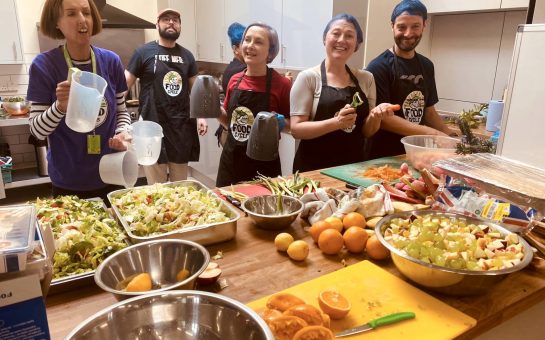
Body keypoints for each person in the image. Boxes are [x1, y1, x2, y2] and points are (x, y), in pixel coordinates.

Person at [27, 0, 131, 201]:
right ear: (57, 22)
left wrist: (123, 132)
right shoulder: (44, 65)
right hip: (68, 181)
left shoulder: (111, 61)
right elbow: (36, 130)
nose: (82, 20)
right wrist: (59, 107)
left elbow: (121, 111)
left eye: (86, 12)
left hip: (111, 173)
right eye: (72, 14)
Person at [290, 13, 395, 173]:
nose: (341, 40)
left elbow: (367, 132)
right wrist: (336, 123)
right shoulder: (309, 78)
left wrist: (375, 117)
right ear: (325, 38)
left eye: (349, 36)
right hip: (312, 169)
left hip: (353, 169)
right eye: (336, 33)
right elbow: (296, 130)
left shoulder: (366, 78)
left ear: (356, 45)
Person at [125, 8, 207, 184]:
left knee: (180, 185)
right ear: (157, 24)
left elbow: (196, 91)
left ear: (179, 26)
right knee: (156, 187)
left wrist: (201, 117)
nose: (171, 22)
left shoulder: (187, 56)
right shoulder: (143, 53)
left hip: (181, 127)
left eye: (175, 20)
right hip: (151, 126)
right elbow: (123, 86)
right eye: (166, 19)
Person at [366, 0, 455, 159]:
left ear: (424, 25)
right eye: (401, 27)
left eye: (415, 26)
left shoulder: (427, 65)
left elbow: (429, 112)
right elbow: (384, 120)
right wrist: (432, 133)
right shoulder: (378, 67)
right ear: (392, 26)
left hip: (417, 154)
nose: (408, 33)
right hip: (384, 157)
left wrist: (451, 137)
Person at [216, 22, 291, 187]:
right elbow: (228, 121)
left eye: (258, 42)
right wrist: (214, 109)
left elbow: (293, 126)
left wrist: (281, 123)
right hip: (231, 162)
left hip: (263, 166)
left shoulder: (282, 84)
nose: (250, 46)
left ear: (270, 51)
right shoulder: (235, 80)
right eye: (247, 40)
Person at [215, 22, 247, 147]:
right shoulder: (240, 71)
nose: (250, 46)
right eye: (245, 43)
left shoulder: (231, 67)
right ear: (235, 49)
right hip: (234, 133)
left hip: (230, 130)